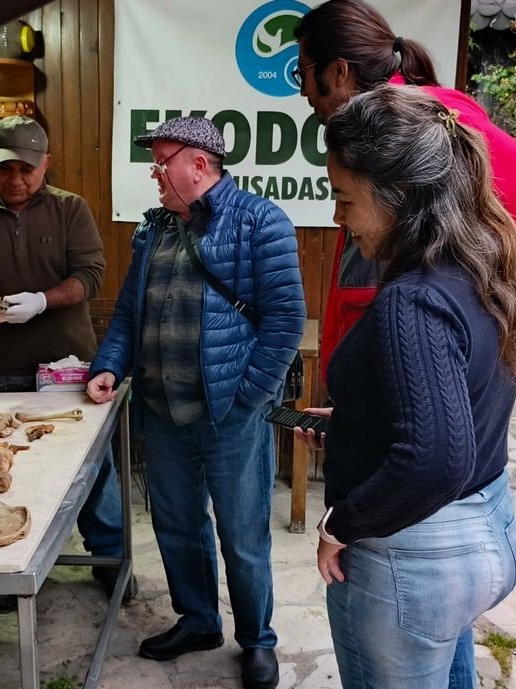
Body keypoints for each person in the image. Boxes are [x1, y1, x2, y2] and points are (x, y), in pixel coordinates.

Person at [296, 86, 516, 689]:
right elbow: (458, 398)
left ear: (398, 197)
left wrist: (343, 524)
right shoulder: (479, 263)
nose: (338, 217)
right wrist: (359, 417)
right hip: (488, 529)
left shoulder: (414, 299)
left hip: (418, 557)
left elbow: (435, 460)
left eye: (345, 199)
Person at [85, 117, 305, 689]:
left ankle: (257, 640)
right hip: (162, 411)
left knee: (242, 534)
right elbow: (130, 313)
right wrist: (109, 364)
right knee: (178, 524)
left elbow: (284, 322)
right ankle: (199, 620)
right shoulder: (154, 229)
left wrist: (250, 397)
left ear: (199, 166)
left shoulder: (262, 222)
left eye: (162, 163)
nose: (155, 175)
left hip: (229, 412)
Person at [293, 0, 516, 377]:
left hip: (407, 365)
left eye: (304, 75)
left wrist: (492, 310)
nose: (303, 93)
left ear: (340, 70)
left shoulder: (426, 120)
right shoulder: (376, 129)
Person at [0, 115, 127, 593]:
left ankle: (108, 560)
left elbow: (90, 275)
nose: (16, 180)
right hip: (3, 369)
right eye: (5, 169)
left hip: (70, 368)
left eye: (26, 169)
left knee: (93, 469)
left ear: (46, 164)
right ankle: (4, 558)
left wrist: (42, 300)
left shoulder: (70, 211)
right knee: (4, 466)